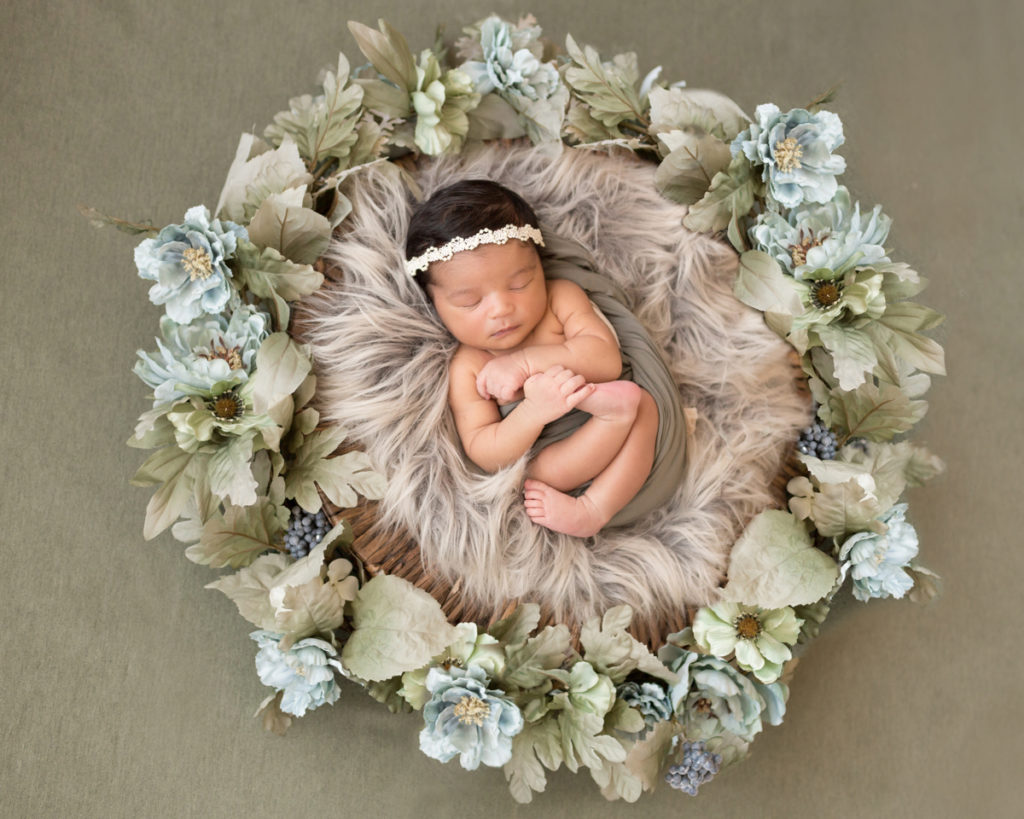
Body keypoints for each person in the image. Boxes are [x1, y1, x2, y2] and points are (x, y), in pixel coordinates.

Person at [405, 180, 658, 537]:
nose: (501, 309)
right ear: (436, 307)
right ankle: (586, 507)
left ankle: (595, 507)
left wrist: (524, 363)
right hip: (555, 467)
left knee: (644, 404)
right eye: (469, 302)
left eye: (519, 284)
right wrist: (534, 411)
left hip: (631, 455)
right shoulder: (469, 365)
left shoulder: (560, 299)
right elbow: (486, 451)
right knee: (534, 469)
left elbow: (606, 361)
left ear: (539, 264)